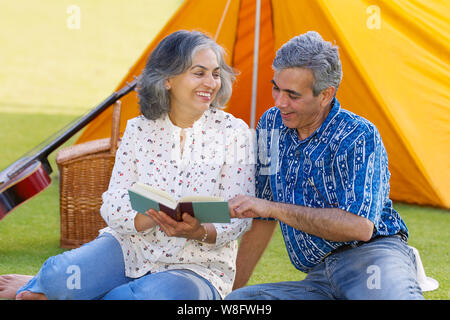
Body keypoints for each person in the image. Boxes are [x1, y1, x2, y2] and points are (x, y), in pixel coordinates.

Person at [0, 30, 255, 300]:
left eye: (215, 74)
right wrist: (146, 218)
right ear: (168, 79)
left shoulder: (234, 133)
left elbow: (240, 213)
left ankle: (77, 293)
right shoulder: (138, 130)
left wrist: (201, 231)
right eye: (199, 72)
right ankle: (54, 287)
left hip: (196, 268)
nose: (211, 83)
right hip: (131, 248)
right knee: (56, 275)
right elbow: (113, 203)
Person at [226, 31, 424, 300]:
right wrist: (230, 293)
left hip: (373, 258)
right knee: (241, 303)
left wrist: (272, 208)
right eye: (276, 88)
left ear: (326, 94)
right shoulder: (271, 123)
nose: (279, 102)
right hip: (318, 277)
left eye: (292, 95)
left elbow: (359, 227)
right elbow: (261, 216)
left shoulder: (359, 135)